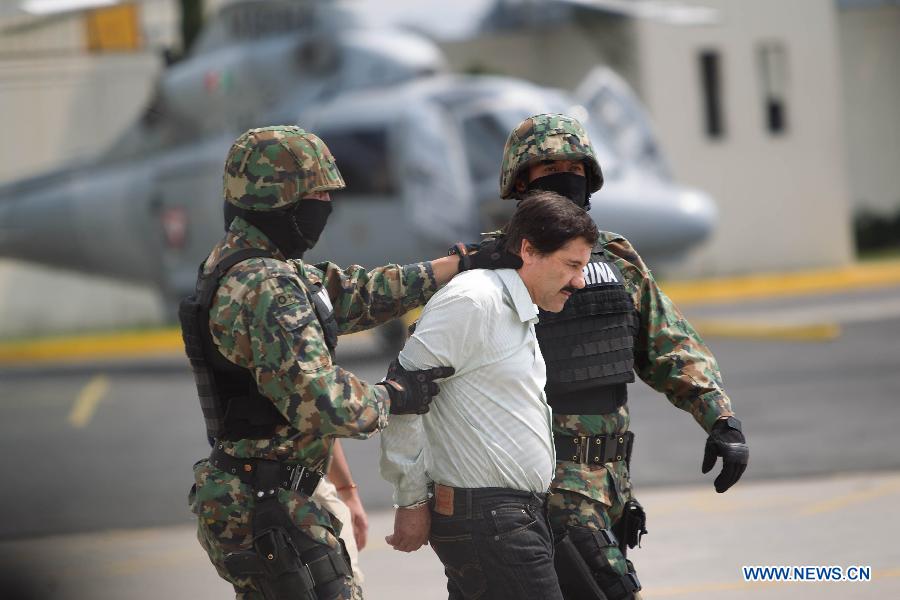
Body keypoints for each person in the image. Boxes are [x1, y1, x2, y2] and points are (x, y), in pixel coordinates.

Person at [180, 125, 519, 600]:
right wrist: (395, 397)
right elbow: (321, 402)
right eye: (315, 193)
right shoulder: (265, 287)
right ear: (278, 197)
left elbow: (352, 294)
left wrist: (457, 264)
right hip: (274, 508)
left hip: (264, 497)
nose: (325, 205)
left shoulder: (248, 265)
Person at [495, 113, 749, 600]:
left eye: (574, 167)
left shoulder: (615, 260)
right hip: (543, 486)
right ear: (522, 184)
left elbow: (669, 344)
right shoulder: (495, 267)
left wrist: (722, 421)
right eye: (549, 170)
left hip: (610, 486)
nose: (564, 177)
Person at [380, 193, 600, 600]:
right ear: (529, 250)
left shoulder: (516, 307)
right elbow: (404, 393)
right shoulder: (473, 301)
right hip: (490, 522)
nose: (579, 282)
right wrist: (409, 501)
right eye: (571, 265)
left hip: (509, 517)